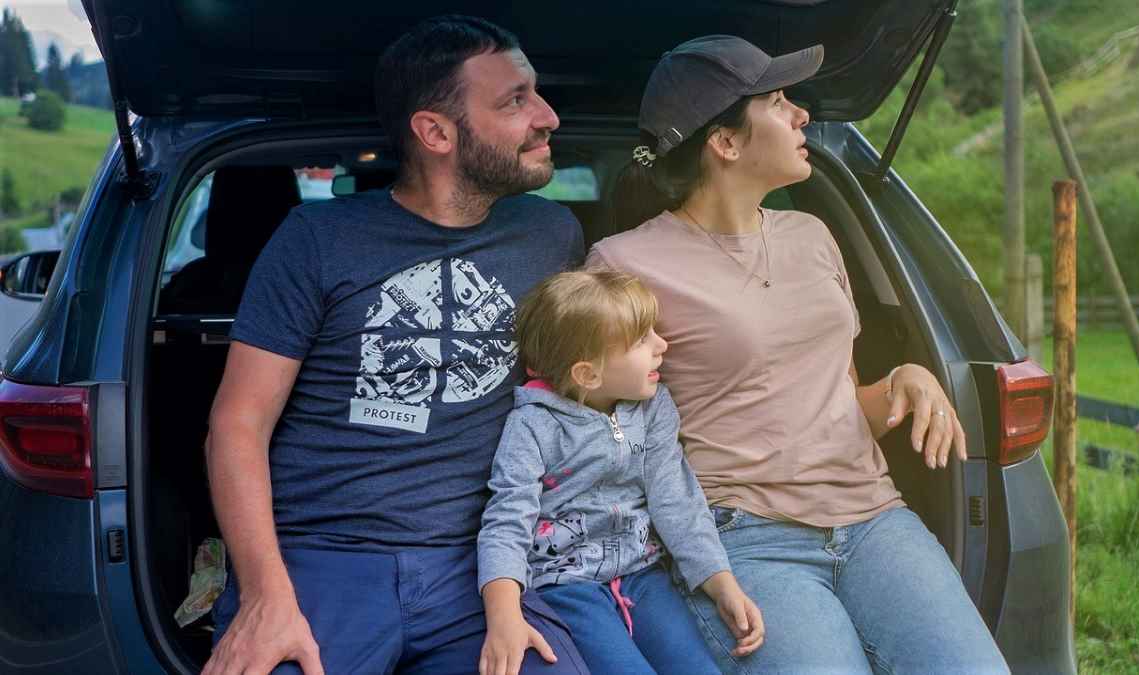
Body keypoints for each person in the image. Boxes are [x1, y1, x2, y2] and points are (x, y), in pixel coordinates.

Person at [588, 35, 1011, 674]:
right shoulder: (624, 265)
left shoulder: (812, 235)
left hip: (875, 521)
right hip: (743, 540)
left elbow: (843, 400)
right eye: (779, 102)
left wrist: (908, 377)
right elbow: (597, 439)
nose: (802, 114)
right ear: (725, 142)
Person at [202, 15, 590, 675]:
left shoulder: (552, 235)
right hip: (321, 559)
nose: (548, 116)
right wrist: (266, 597)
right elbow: (237, 424)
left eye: (536, 93)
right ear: (435, 132)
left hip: (482, 564)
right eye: (514, 100)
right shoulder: (316, 239)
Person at [476, 270, 765, 675]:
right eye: (642, 340)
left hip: (643, 575)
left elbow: (676, 499)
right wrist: (504, 615)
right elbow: (507, 519)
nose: (662, 345)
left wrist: (721, 583)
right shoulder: (532, 426)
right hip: (567, 586)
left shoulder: (653, 408)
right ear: (588, 374)